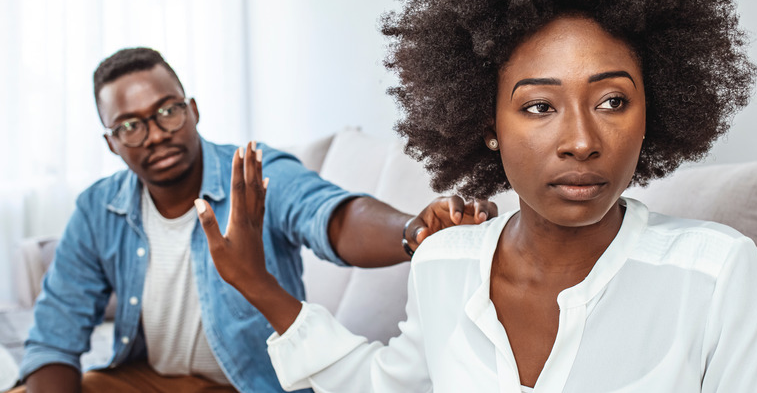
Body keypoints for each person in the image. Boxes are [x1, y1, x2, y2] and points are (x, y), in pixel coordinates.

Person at [197, 0, 757, 391]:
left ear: (652, 111)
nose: (581, 141)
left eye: (611, 102)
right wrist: (259, 286)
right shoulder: (445, 263)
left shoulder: (716, 274)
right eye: (538, 107)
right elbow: (382, 386)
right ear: (487, 121)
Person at [12, 47, 497, 393]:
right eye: (131, 126)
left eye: (167, 111)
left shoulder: (255, 172)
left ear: (193, 110)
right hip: (148, 379)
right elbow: (54, 336)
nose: (155, 135)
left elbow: (333, 218)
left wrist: (413, 231)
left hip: (252, 385)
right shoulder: (99, 208)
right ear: (112, 143)